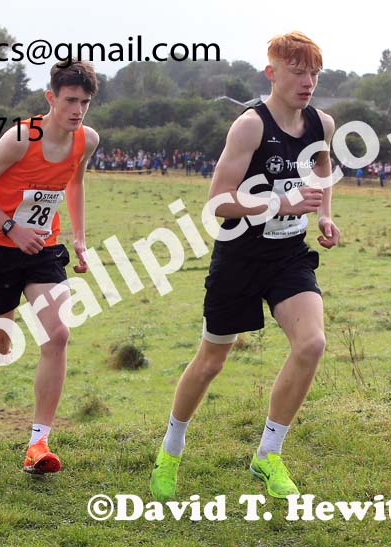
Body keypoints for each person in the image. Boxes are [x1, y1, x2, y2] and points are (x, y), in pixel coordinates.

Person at [150, 32, 340, 501]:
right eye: (298, 71)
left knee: (312, 343)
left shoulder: (323, 123)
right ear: (271, 73)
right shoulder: (250, 126)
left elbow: (322, 169)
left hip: (289, 257)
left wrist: (325, 214)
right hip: (239, 256)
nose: (308, 81)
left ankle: (268, 455)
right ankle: (171, 448)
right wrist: (281, 201)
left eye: (314, 72)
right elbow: (217, 202)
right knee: (212, 360)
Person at [0, 60, 100, 474]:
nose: (77, 110)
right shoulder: (21, 137)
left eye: (85, 102)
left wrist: (78, 237)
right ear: (51, 98)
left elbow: (76, 182)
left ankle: (38, 443)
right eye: (69, 101)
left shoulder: (87, 139)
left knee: (57, 332)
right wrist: (11, 229)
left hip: (43, 247)